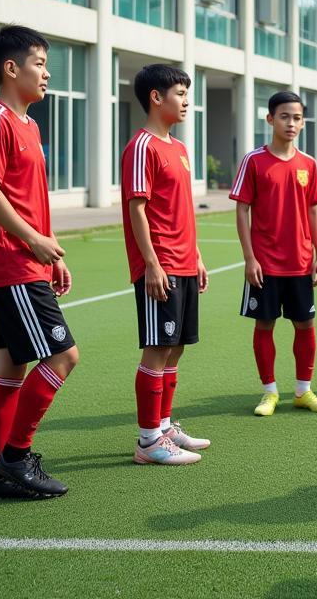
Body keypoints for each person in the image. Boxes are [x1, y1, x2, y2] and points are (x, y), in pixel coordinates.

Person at [0, 26, 77, 500]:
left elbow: (28, 200)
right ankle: (17, 455)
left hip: (28, 261)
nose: (47, 73)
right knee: (63, 356)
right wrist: (32, 241)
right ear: (11, 69)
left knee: (9, 369)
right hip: (11, 263)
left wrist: (48, 249)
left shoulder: (29, 126)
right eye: (39, 63)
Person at [121, 64, 210, 466]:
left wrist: (197, 258)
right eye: (179, 92)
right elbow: (137, 209)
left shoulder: (178, 147)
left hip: (184, 262)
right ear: (156, 97)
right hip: (162, 266)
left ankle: (164, 425)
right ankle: (147, 441)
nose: (186, 100)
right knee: (157, 349)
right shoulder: (143, 146)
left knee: (175, 349)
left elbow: (180, 210)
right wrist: (152, 264)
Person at [231, 91, 317, 415]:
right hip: (265, 264)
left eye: (297, 118)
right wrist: (249, 257)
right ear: (270, 119)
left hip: (300, 262)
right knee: (265, 325)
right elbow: (242, 210)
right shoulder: (254, 161)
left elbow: (314, 211)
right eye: (285, 116)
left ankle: (303, 391)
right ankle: (270, 392)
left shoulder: (308, 164)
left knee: (305, 325)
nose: (291, 123)